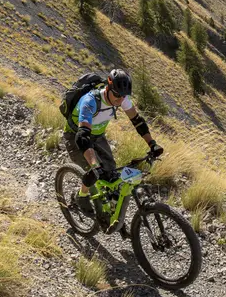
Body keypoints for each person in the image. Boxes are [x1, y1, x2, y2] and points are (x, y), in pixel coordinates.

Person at [63, 69, 164, 220]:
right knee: (93, 172)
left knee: (111, 173)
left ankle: (109, 210)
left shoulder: (121, 98)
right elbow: (82, 137)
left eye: (123, 96)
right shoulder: (90, 101)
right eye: (117, 94)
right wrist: (94, 164)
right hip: (76, 136)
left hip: (97, 136)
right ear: (108, 88)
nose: (120, 99)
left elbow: (138, 121)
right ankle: (81, 196)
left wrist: (152, 144)